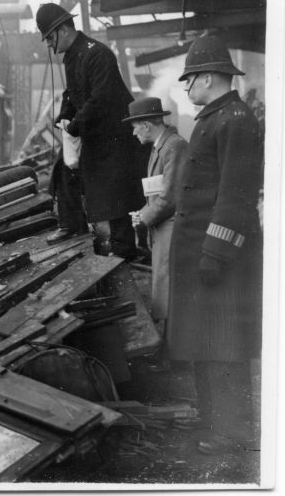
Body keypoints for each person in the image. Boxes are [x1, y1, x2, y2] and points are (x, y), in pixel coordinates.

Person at [167, 35, 263, 455]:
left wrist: (216, 252)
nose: (186, 89)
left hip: (220, 257)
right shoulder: (219, 116)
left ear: (206, 77)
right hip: (203, 254)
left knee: (225, 344)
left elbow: (235, 194)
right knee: (207, 341)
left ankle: (234, 432)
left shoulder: (234, 120)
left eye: (189, 81)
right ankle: (213, 418)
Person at [35, 3, 145, 257]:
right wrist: (64, 115)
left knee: (116, 193)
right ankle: (72, 225)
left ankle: (123, 250)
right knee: (63, 171)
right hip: (95, 131)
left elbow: (101, 98)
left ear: (62, 30)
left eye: (49, 38)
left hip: (114, 136)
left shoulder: (98, 54)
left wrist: (74, 126)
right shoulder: (73, 56)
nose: (50, 45)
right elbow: (71, 93)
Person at [123, 97, 187, 332]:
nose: (133, 133)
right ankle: (170, 348)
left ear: (146, 125)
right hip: (162, 228)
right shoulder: (162, 146)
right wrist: (143, 213)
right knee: (165, 289)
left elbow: (170, 197)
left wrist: (143, 216)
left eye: (134, 127)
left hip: (171, 229)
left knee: (170, 290)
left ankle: (174, 352)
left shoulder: (173, 146)